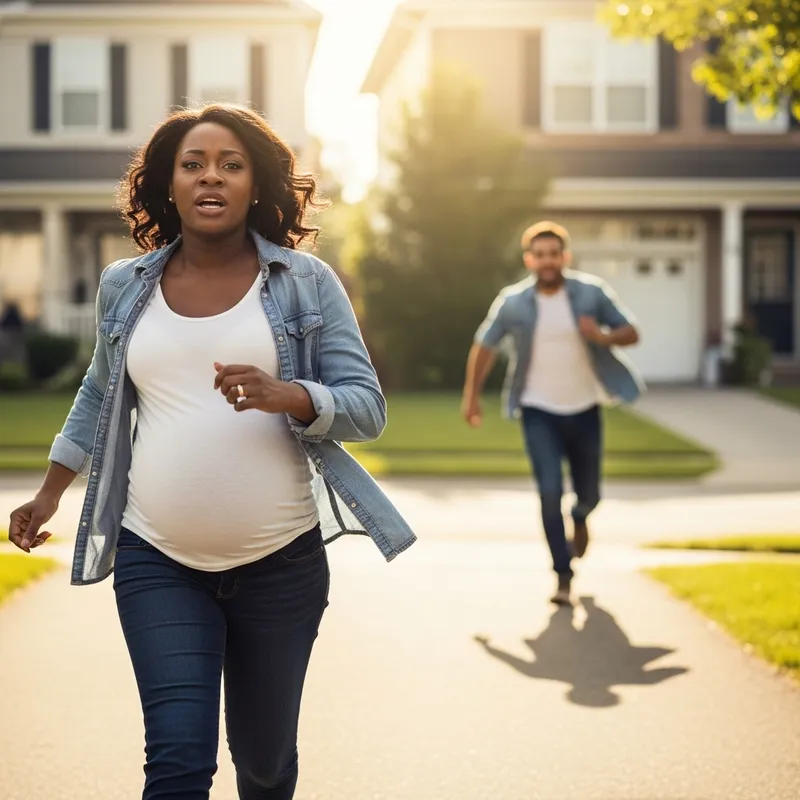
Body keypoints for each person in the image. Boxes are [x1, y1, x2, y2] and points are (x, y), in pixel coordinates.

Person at [8, 104, 415, 800]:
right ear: (168, 185)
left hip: (281, 566)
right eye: (192, 164)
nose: (211, 177)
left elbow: (367, 408)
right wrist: (49, 492)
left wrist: (291, 395)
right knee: (177, 759)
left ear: (256, 185)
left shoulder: (306, 282)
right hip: (156, 557)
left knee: (264, 763)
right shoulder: (124, 286)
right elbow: (98, 394)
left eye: (231, 165)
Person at [461, 221, 642, 606]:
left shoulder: (591, 293)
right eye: (539, 255)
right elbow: (484, 346)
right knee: (548, 490)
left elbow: (631, 331)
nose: (547, 261)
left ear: (565, 257)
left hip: (585, 407)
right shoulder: (513, 302)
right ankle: (563, 575)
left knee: (589, 494)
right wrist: (471, 397)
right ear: (529, 259)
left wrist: (603, 336)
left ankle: (581, 516)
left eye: (553, 254)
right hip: (537, 410)